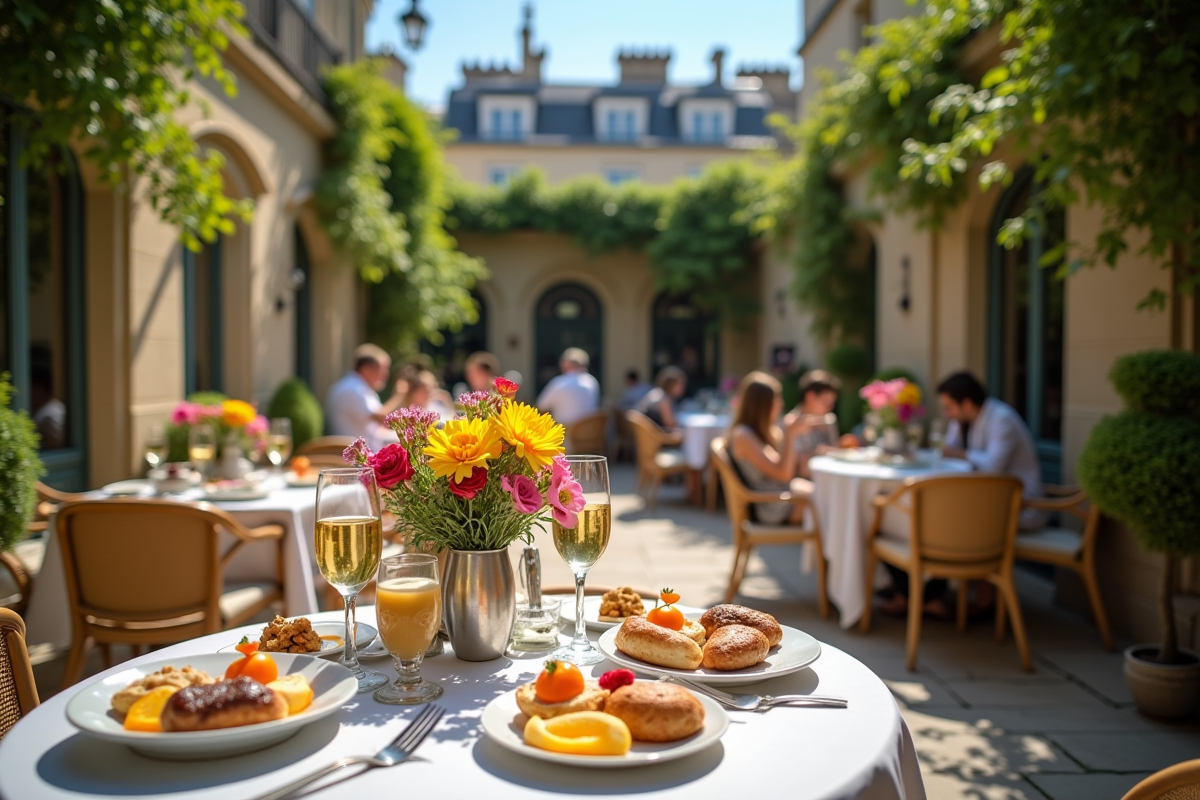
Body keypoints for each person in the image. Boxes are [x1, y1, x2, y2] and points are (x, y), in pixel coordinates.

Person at [937, 371, 1045, 527]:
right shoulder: (963, 420)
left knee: (952, 518)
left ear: (967, 405)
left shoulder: (1002, 418)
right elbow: (948, 451)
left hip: (1022, 505)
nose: (946, 414)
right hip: (991, 499)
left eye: (949, 408)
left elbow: (992, 467)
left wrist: (960, 454)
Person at [727, 371, 814, 525]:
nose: (780, 404)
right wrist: (790, 435)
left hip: (776, 495)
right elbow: (784, 474)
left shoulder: (759, 432)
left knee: (823, 494)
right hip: (767, 505)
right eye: (776, 400)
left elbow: (784, 467)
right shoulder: (744, 435)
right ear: (762, 404)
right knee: (823, 502)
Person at [326, 344, 406, 450]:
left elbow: (380, 428)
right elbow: (384, 418)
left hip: (358, 455)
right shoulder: (353, 389)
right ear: (366, 369)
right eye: (382, 369)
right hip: (352, 461)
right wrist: (399, 394)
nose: (386, 375)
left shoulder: (359, 387)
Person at [783, 370, 857, 477]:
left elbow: (835, 451)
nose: (830, 407)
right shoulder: (792, 423)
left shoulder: (829, 419)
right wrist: (817, 454)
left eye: (832, 403)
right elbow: (796, 467)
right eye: (826, 402)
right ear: (810, 397)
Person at [535, 347, 600, 426]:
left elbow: (541, 406)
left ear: (565, 364)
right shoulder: (593, 382)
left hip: (564, 435)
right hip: (590, 434)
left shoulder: (559, 382)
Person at [637, 366, 687, 432]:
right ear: (671, 384)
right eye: (681, 384)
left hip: (646, 436)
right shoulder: (663, 399)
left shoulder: (656, 392)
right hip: (654, 439)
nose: (683, 388)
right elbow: (671, 425)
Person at [30, 362, 65, 449]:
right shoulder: (51, 407)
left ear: (39, 388)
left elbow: (55, 447)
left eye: (31, 388)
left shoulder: (50, 414)